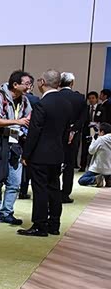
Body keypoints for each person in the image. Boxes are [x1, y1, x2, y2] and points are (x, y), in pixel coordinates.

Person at [18, 69, 72, 237]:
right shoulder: (66, 104)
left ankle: (40, 225)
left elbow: (34, 132)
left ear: (42, 82)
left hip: (40, 155)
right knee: (54, 189)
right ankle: (54, 224)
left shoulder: (42, 104)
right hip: (57, 153)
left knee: (40, 190)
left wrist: (26, 154)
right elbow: (66, 132)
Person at [0, 70, 32, 225]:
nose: (29, 86)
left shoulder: (24, 100)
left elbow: (29, 116)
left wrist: (26, 122)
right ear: (15, 84)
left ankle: (7, 212)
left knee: (15, 182)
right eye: (27, 83)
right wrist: (17, 122)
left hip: (15, 143)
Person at [57, 72, 86, 204]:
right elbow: (83, 119)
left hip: (56, 135)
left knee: (54, 164)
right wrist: (73, 130)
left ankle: (53, 192)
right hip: (73, 136)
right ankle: (65, 194)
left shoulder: (55, 96)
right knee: (69, 166)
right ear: (72, 83)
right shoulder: (79, 98)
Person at [18, 81, 39, 200]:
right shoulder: (36, 100)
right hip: (29, 134)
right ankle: (23, 190)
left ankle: (14, 186)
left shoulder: (16, 98)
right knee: (26, 163)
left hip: (15, 132)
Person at [78, 122, 111, 187]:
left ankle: (96, 179)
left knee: (81, 180)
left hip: (98, 169)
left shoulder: (101, 139)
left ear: (102, 132)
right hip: (110, 169)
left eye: (99, 131)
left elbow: (91, 151)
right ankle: (108, 179)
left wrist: (93, 140)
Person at [81, 91, 100, 171]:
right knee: (84, 149)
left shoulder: (101, 108)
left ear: (97, 99)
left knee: (95, 149)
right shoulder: (86, 108)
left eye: (93, 98)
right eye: (89, 98)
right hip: (86, 131)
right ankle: (83, 166)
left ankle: (93, 167)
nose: (91, 100)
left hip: (96, 132)